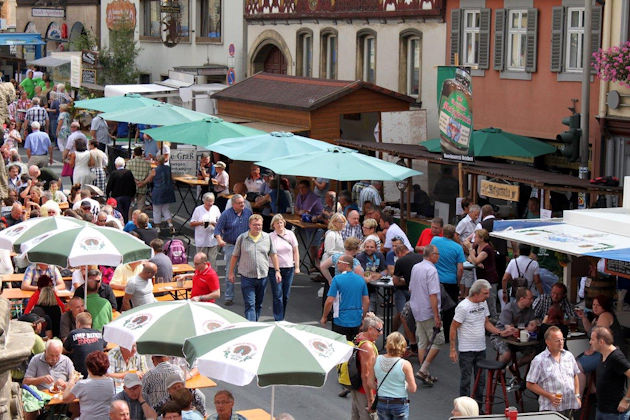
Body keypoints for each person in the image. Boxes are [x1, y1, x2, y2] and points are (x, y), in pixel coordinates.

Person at [449, 279, 514, 406]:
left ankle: (478, 407)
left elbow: (486, 323)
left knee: (481, 381)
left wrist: (500, 332)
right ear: (476, 293)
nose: (488, 296)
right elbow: (453, 327)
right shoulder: (463, 307)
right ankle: (464, 408)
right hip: (466, 350)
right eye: (485, 293)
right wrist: (452, 349)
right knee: (466, 380)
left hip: (481, 348)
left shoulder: (483, 304)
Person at [229, 214, 281, 321]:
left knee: (258, 304)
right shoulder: (242, 238)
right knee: (250, 304)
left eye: (260, 225)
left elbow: (273, 254)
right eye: (255, 225)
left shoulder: (267, 238)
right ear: (249, 225)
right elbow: (235, 256)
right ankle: (251, 326)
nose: (257, 227)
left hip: (262, 277)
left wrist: (277, 271)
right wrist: (231, 272)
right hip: (247, 277)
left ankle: (255, 325)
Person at [526, 326, 581, 418]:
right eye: (557, 341)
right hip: (550, 409)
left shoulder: (569, 356)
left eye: (562, 339)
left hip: (569, 406)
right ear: (548, 342)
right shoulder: (539, 360)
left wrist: (577, 395)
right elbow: (529, 384)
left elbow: (575, 375)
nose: (561, 343)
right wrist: (549, 396)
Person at [409, 244, 444, 386]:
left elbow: (411, 288)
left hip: (416, 308)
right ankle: (423, 369)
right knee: (439, 340)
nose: (438, 256)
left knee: (422, 341)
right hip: (428, 310)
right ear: (432, 255)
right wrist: (436, 315)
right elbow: (433, 294)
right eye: (437, 254)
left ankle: (425, 372)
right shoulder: (432, 270)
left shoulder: (416, 267)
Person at [576, 294, 625, 394]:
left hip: (608, 354)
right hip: (603, 352)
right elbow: (590, 331)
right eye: (594, 305)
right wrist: (583, 317)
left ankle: (578, 400)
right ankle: (593, 390)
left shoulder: (605, 315)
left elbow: (599, 337)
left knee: (577, 366)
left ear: (604, 306)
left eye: (598, 305)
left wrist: (590, 351)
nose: (595, 307)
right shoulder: (597, 318)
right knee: (578, 362)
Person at [214, 194, 253, 306]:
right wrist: (220, 240)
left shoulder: (248, 213)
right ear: (233, 204)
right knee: (230, 272)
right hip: (231, 245)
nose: (243, 205)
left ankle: (248, 298)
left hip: (246, 245)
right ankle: (228, 297)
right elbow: (217, 230)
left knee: (247, 273)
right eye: (240, 203)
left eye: (243, 203)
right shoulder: (226, 214)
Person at [320, 254, 369, 340]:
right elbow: (366, 301)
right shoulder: (361, 280)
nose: (336, 264)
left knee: (340, 347)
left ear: (345, 265)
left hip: (340, 320)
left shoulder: (337, 279)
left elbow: (329, 301)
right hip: (356, 320)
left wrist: (324, 316)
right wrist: (363, 318)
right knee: (353, 347)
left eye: (338, 262)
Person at [430, 224, 465, 339]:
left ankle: (433, 331)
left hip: (435, 280)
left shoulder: (435, 240)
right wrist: (458, 282)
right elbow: (460, 269)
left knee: (434, 305)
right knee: (450, 309)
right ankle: (447, 334)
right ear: (454, 234)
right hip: (450, 282)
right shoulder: (458, 248)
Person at [373, 331, 417, 420]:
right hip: (399, 402)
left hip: (382, 401)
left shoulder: (376, 359)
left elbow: (370, 382)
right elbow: (412, 389)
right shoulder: (405, 364)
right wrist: (406, 384)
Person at [590, 326, 630, 420]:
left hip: (614, 413)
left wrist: (627, 400)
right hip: (601, 409)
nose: (590, 342)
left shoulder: (616, 357)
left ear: (601, 342)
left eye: (592, 339)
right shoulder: (603, 354)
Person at [62, 351, 116, 419]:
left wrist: (71, 380)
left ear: (88, 367)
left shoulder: (82, 384)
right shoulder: (111, 382)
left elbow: (65, 399)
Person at [490, 288, 534, 365]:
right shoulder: (509, 308)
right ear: (522, 299)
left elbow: (532, 324)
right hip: (500, 337)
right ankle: (500, 372)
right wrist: (527, 329)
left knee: (534, 353)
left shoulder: (529, 309)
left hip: (518, 339)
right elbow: (510, 330)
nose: (532, 301)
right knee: (506, 354)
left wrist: (534, 325)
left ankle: (514, 367)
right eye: (530, 299)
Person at [268, 214, 299, 321]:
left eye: (281, 222)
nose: (280, 224)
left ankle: (282, 315)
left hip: (289, 268)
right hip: (274, 269)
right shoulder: (270, 237)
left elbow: (296, 251)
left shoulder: (290, 234)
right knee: (277, 295)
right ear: (273, 225)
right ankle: (279, 318)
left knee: (285, 295)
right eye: (277, 223)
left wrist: (297, 267)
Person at [351, 313, 382, 420]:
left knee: (356, 416)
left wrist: (370, 317)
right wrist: (370, 400)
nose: (381, 333)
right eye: (379, 330)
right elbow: (366, 375)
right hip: (364, 391)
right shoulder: (368, 347)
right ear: (370, 329)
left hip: (356, 388)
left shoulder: (359, 337)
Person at [466, 229, 499, 320]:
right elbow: (471, 259)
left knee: (490, 302)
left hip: (490, 279)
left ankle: (494, 320)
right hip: (481, 279)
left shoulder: (487, 249)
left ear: (482, 238)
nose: (474, 239)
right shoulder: (477, 247)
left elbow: (475, 260)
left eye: (476, 237)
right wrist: (476, 261)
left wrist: (471, 251)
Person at [63, 312, 106, 378]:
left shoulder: (74, 333)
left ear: (78, 323)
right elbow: (105, 346)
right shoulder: (99, 333)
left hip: (81, 374)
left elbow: (64, 350)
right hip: (99, 373)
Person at [144, 155, 176, 233]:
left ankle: (157, 227)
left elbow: (149, 180)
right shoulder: (168, 168)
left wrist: (141, 183)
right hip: (168, 191)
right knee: (165, 209)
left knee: (156, 210)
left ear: (157, 162)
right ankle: (170, 224)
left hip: (158, 191)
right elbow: (172, 178)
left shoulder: (154, 170)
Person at [190, 192, 221, 270]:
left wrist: (215, 224)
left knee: (212, 261)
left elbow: (220, 222)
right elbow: (192, 223)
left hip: (212, 239)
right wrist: (202, 223)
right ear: (204, 201)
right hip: (201, 240)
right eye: (208, 202)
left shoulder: (215, 208)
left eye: (212, 201)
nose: (210, 204)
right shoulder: (198, 209)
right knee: (201, 261)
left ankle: (212, 276)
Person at [106, 157, 136, 223]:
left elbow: (109, 185)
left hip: (117, 196)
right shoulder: (128, 173)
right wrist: (133, 195)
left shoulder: (114, 173)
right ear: (124, 164)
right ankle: (125, 224)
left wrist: (107, 195)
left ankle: (120, 224)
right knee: (126, 212)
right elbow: (133, 184)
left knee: (118, 212)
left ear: (116, 165)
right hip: (127, 196)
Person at [127, 146, 152, 217]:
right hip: (143, 186)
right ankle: (140, 221)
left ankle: (129, 220)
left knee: (130, 206)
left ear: (134, 153)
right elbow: (150, 177)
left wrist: (136, 181)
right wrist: (143, 182)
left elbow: (128, 174)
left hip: (132, 186)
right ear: (142, 154)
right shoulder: (147, 163)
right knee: (141, 207)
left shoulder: (130, 162)